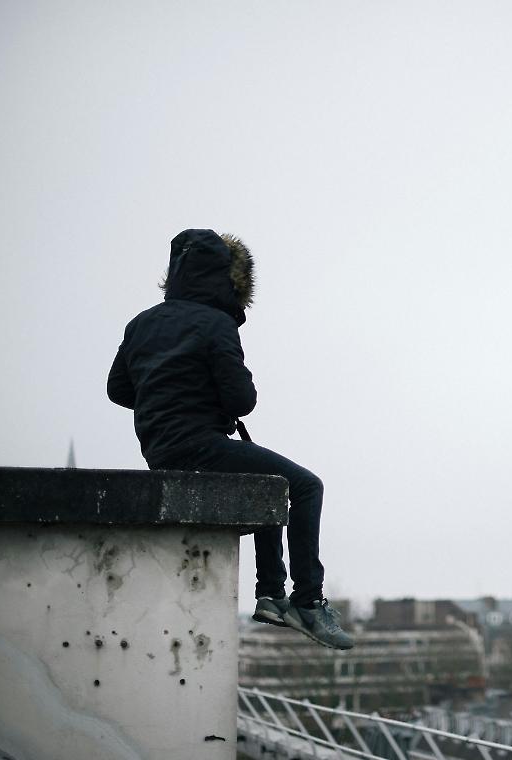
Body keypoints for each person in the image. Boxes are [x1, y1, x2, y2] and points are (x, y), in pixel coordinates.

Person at [106, 228, 354, 650]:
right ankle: (309, 601)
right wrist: (207, 402)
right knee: (307, 486)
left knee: (261, 475)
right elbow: (243, 399)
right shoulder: (216, 324)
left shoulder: (141, 323)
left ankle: (272, 597)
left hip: (159, 450)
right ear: (227, 279)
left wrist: (164, 400)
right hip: (199, 445)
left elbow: (118, 390)